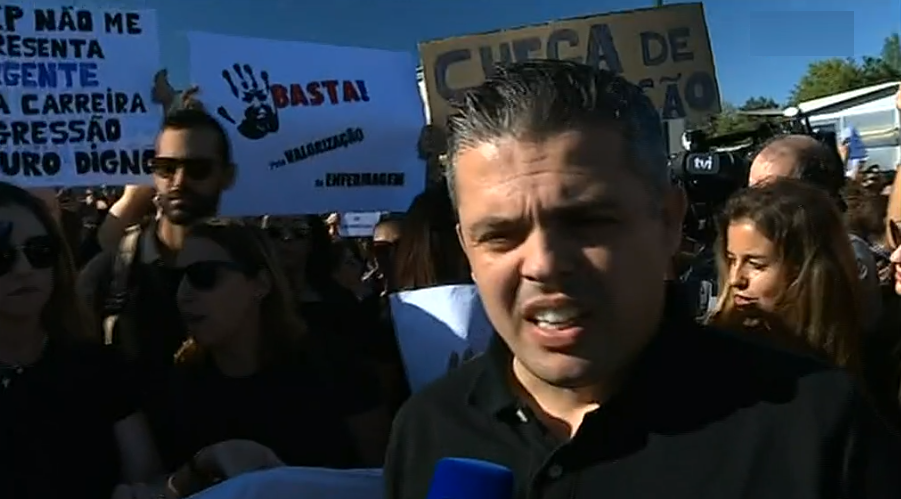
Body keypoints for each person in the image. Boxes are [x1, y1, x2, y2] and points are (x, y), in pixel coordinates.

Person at [384, 60, 901, 499]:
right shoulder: (427, 429)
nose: (542, 263)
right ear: (466, 248)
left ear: (669, 221)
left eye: (587, 222)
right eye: (500, 236)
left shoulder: (815, 427)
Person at [0, 181, 161, 498]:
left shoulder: (98, 367)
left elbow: (148, 476)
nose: (24, 269)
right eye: (1, 256)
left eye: (39, 251)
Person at [78, 107, 236, 393]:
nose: (178, 182)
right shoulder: (108, 275)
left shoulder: (249, 270)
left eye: (198, 169)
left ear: (227, 176)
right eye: (166, 168)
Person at [748, 134, 882, 334]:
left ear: (814, 195)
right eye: (750, 190)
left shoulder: (846, 255)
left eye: (768, 194)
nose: (752, 203)